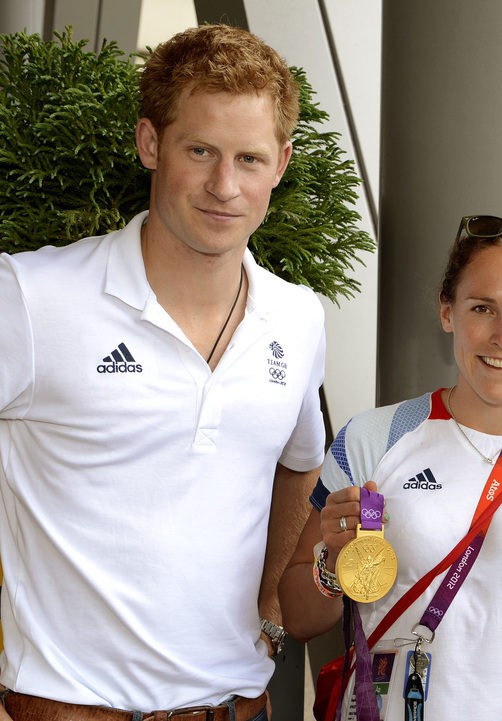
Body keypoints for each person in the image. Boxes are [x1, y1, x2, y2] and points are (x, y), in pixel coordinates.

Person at [0, 24, 326, 721]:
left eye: (249, 158)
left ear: (282, 163)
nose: (224, 186)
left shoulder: (298, 318)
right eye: (200, 150)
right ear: (151, 143)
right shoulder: (32, 297)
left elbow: (299, 465)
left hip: (236, 709)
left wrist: (270, 607)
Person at [280, 215, 502, 721]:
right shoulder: (371, 439)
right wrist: (330, 561)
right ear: (447, 311)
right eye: (482, 308)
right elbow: (298, 617)